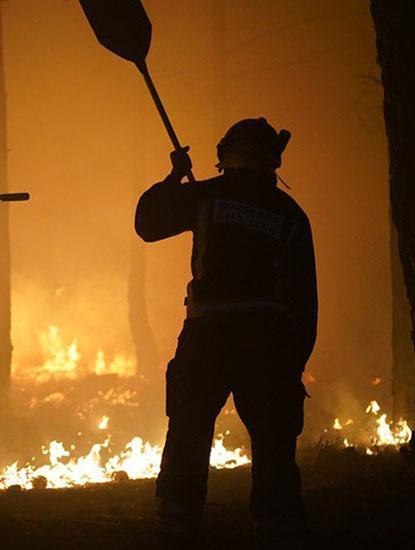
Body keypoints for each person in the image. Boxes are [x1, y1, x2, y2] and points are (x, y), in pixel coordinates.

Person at [135, 118, 317, 546]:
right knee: (273, 437)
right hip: (266, 340)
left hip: (208, 335)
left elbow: (147, 223)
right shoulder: (290, 215)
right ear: (272, 161)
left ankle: (176, 521)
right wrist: (295, 359)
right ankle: (278, 525)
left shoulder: (206, 196)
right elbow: (304, 297)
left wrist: (174, 177)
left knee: (190, 427)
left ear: (225, 156)